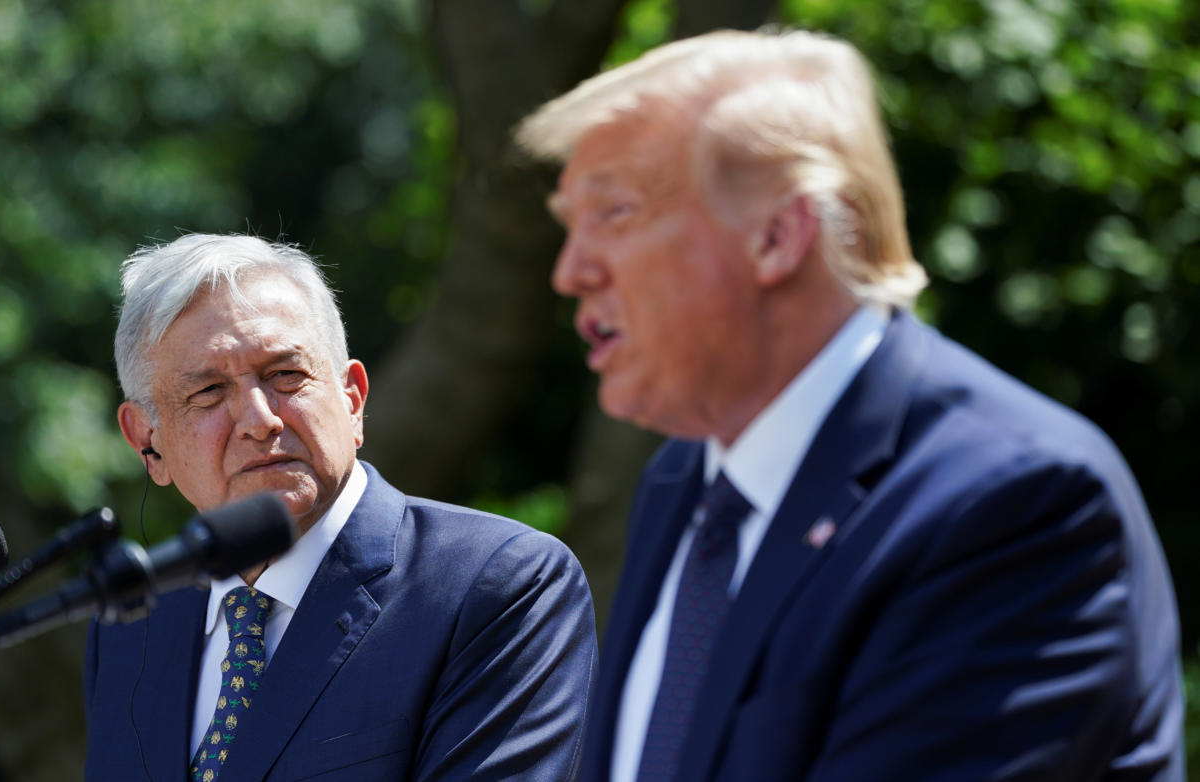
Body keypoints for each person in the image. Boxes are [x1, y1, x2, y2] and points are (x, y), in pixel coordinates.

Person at [517, 28, 1183, 782]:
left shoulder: (1015, 506)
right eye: (568, 225)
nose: (570, 272)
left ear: (778, 235)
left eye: (615, 213)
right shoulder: (684, 484)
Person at [83, 233, 597, 781]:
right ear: (147, 443)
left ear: (352, 401)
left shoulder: (495, 586)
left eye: (285, 375)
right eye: (209, 391)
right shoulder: (130, 628)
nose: (261, 420)